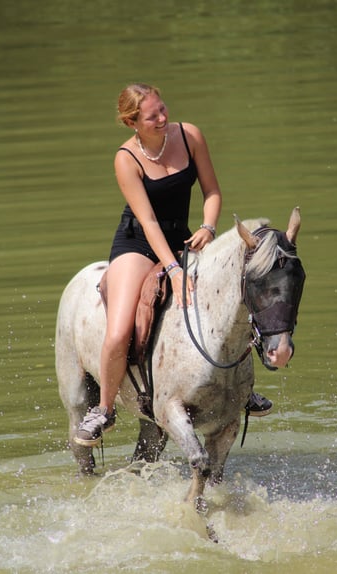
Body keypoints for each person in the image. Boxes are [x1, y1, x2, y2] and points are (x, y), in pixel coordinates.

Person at [74, 83, 273, 447]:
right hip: (137, 243)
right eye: (153, 116)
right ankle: (103, 409)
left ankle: (243, 390)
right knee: (118, 331)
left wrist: (208, 228)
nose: (163, 119)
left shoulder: (190, 134)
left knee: (235, 295)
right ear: (132, 121)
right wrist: (175, 269)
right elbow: (148, 222)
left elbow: (212, 190)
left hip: (186, 237)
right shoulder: (126, 158)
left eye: (163, 109)